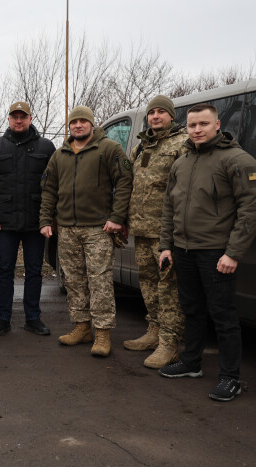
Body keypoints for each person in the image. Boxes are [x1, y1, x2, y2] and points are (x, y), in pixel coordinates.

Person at [158, 103, 256, 402]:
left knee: (224, 317)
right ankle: (192, 362)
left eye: (203, 124)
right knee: (192, 310)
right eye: (192, 125)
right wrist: (166, 245)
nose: (197, 129)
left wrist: (233, 252)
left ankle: (230, 378)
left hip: (216, 252)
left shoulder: (238, 160)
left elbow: (250, 210)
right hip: (184, 250)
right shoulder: (182, 162)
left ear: (217, 124)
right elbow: (169, 207)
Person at [40, 105, 133, 357]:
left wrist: (117, 217)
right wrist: (45, 220)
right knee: (73, 280)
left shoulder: (109, 149)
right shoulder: (60, 154)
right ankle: (82, 327)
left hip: (98, 229)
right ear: (69, 126)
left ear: (92, 124)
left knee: (100, 281)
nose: (78, 125)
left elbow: (125, 181)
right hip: (67, 229)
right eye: (74, 122)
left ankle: (102, 333)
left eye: (83, 121)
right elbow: (49, 190)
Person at [0, 101, 55, 336]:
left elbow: (54, 184)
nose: (18, 120)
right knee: (5, 270)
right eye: (14, 116)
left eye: (23, 116)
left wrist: (49, 218)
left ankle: (33, 318)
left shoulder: (46, 147)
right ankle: (3, 318)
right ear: (8, 120)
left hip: (35, 222)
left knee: (34, 270)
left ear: (31, 118)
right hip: (5, 222)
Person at [124, 95, 187, 368]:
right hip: (141, 229)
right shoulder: (140, 148)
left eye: (162, 112)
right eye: (152, 112)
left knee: (169, 289)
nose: (156, 116)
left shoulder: (183, 144)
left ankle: (169, 344)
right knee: (148, 284)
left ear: (172, 116)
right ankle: (154, 332)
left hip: (166, 233)